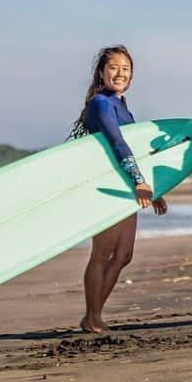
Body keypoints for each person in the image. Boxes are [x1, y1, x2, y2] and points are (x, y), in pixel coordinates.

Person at [67, 45, 167, 333]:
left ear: (132, 76)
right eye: (113, 67)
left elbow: (136, 149)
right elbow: (117, 144)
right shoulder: (101, 103)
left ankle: (93, 316)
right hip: (110, 186)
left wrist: (155, 189)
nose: (119, 73)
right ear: (101, 72)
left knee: (123, 255)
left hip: (127, 186)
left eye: (125, 69)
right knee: (101, 253)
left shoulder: (123, 107)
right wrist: (138, 180)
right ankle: (92, 316)